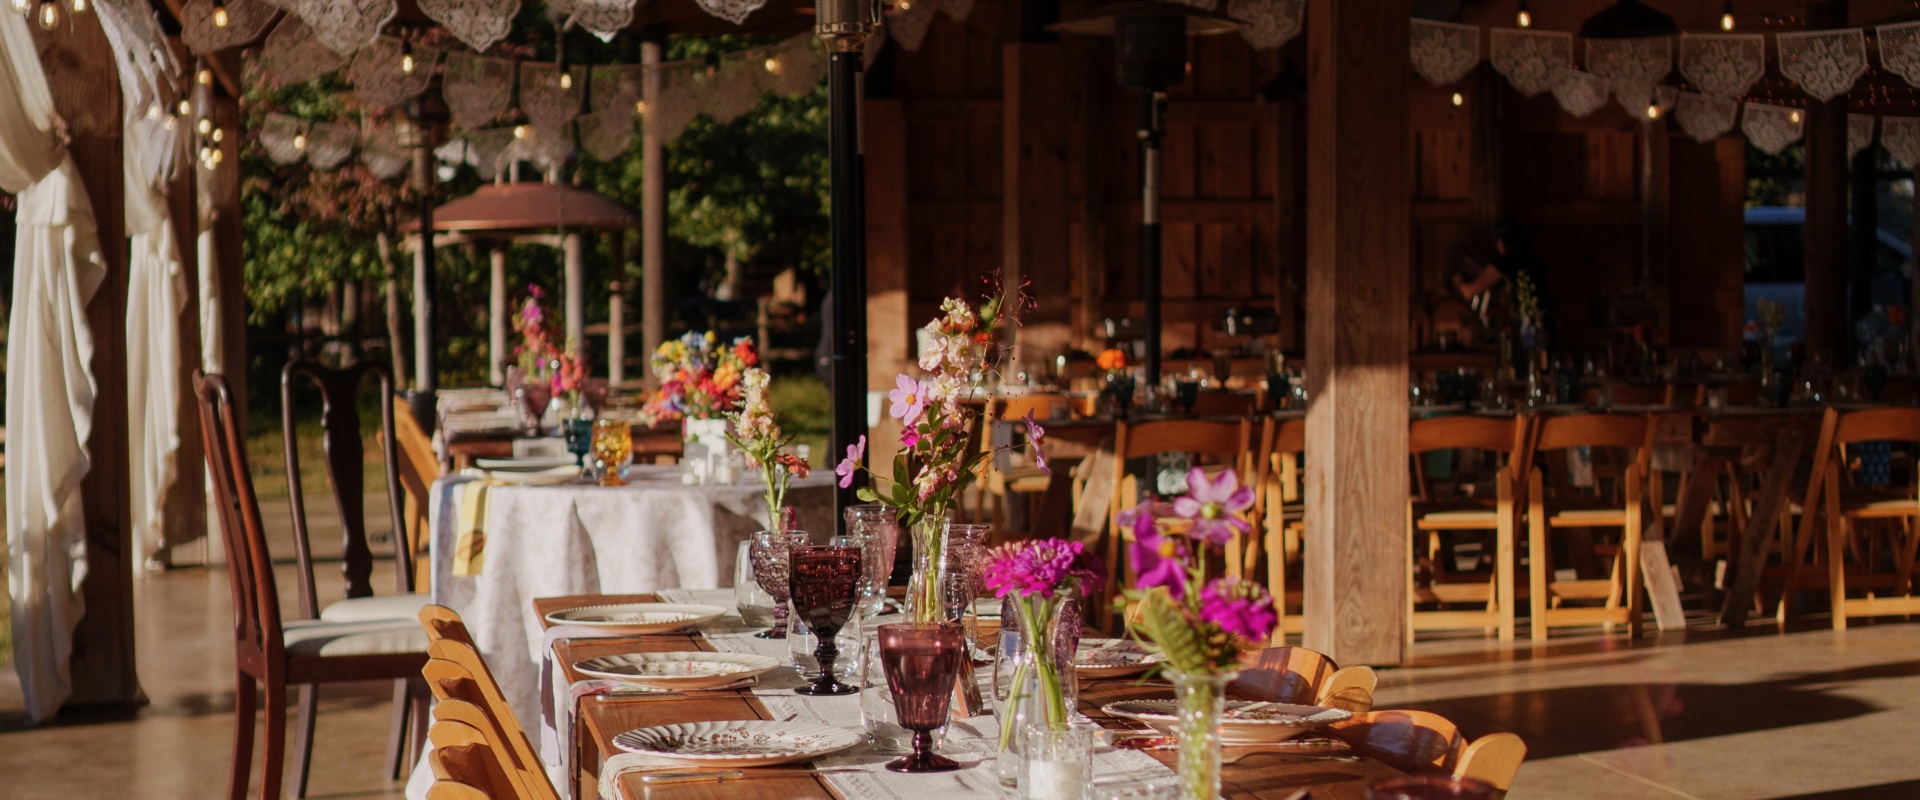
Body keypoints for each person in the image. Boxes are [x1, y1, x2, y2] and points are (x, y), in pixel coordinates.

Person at [1455, 219, 1556, 350]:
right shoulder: (1535, 259)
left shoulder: (1506, 262)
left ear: (1501, 242)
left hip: (1528, 332)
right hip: (1544, 327)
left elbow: (1469, 292)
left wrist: (1457, 280)